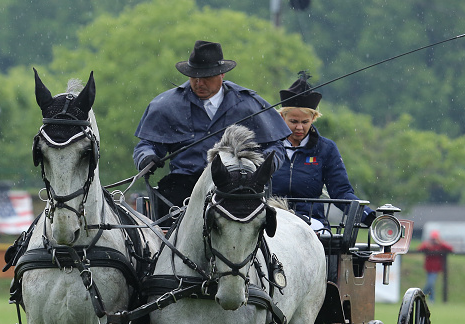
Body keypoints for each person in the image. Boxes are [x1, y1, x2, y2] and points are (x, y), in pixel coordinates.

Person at [133, 40, 291, 215]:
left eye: (206, 77)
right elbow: (147, 145)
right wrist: (146, 157)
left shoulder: (249, 104)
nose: (199, 83)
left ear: (221, 75)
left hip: (238, 187)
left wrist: (263, 165)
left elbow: (276, 147)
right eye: (194, 77)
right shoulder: (166, 105)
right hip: (183, 188)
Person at [270, 73, 375, 232]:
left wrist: (366, 215)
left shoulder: (326, 149)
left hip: (312, 222)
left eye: (305, 122)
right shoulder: (266, 146)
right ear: (282, 117)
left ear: (313, 119)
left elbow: (341, 192)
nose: (299, 127)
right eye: (293, 121)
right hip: (271, 219)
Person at [418, 230, 453, 302]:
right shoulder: (428, 245)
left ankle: (421, 295)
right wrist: (427, 245)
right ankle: (430, 299)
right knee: (431, 285)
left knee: (430, 283)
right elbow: (419, 249)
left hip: (436, 268)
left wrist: (441, 243)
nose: (434, 241)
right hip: (428, 268)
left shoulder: (440, 245)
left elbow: (450, 249)